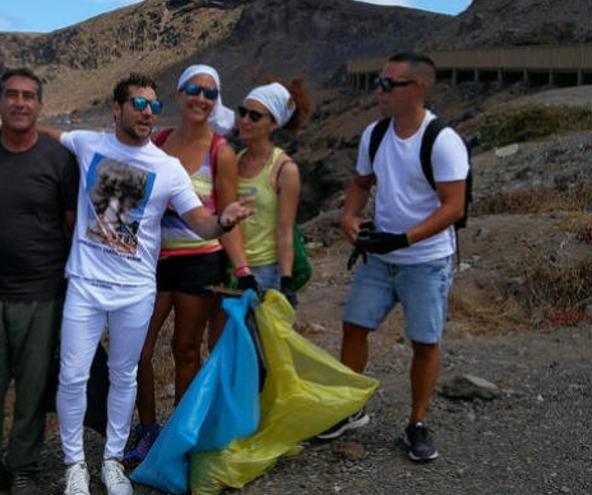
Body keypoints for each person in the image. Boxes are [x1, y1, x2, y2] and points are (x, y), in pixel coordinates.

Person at [46, 73, 254, 495]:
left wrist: (222, 221)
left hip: (136, 289)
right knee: (72, 375)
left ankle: (113, 462)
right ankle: (74, 467)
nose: (146, 112)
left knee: (124, 375)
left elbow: (199, 222)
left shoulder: (167, 168)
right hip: (85, 284)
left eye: (153, 107)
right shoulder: (90, 143)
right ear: (117, 109)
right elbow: (43, 133)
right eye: (138, 104)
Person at [317, 52, 468, 462]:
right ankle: (349, 409)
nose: (378, 91)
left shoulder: (444, 140)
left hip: (426, 260)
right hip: (382, 255)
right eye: (379, 82)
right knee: (354, 327)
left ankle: (418, 422)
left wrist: (404, 239)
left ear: (417, 88)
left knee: (424, 341)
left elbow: (454, 207)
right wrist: (349, 215)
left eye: (388, 84)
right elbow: (361, 182)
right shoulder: (376, 134)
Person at [0, 68, 78, 495]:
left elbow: (74, 225)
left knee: (33, 391)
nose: (20, 102)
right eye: (11, 95)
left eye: (28, 96)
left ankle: (24, 469)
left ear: (40, 106)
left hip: (42, 295)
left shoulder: (59, 160)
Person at [124, 64, 249, 467]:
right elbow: (128, 205)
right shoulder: (155, 143)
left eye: (210, 94)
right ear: (178, 94)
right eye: (194, 89)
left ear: (216, 103)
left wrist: (243, 271)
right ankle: (148, 431)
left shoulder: (221, 153)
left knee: (185, 350)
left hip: (200, 263)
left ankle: (180, 437)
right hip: (152, 264)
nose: (201, 98)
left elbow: (225, 219)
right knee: (137, 352)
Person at [232, 78, 312, 302]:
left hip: (266, 272)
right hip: (236, 269)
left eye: (255, 116)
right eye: (243, 112)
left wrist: (285, 283)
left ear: (274, 123)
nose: (245, 120)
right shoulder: (235, 161)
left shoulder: (285, 170)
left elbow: (285, 231)